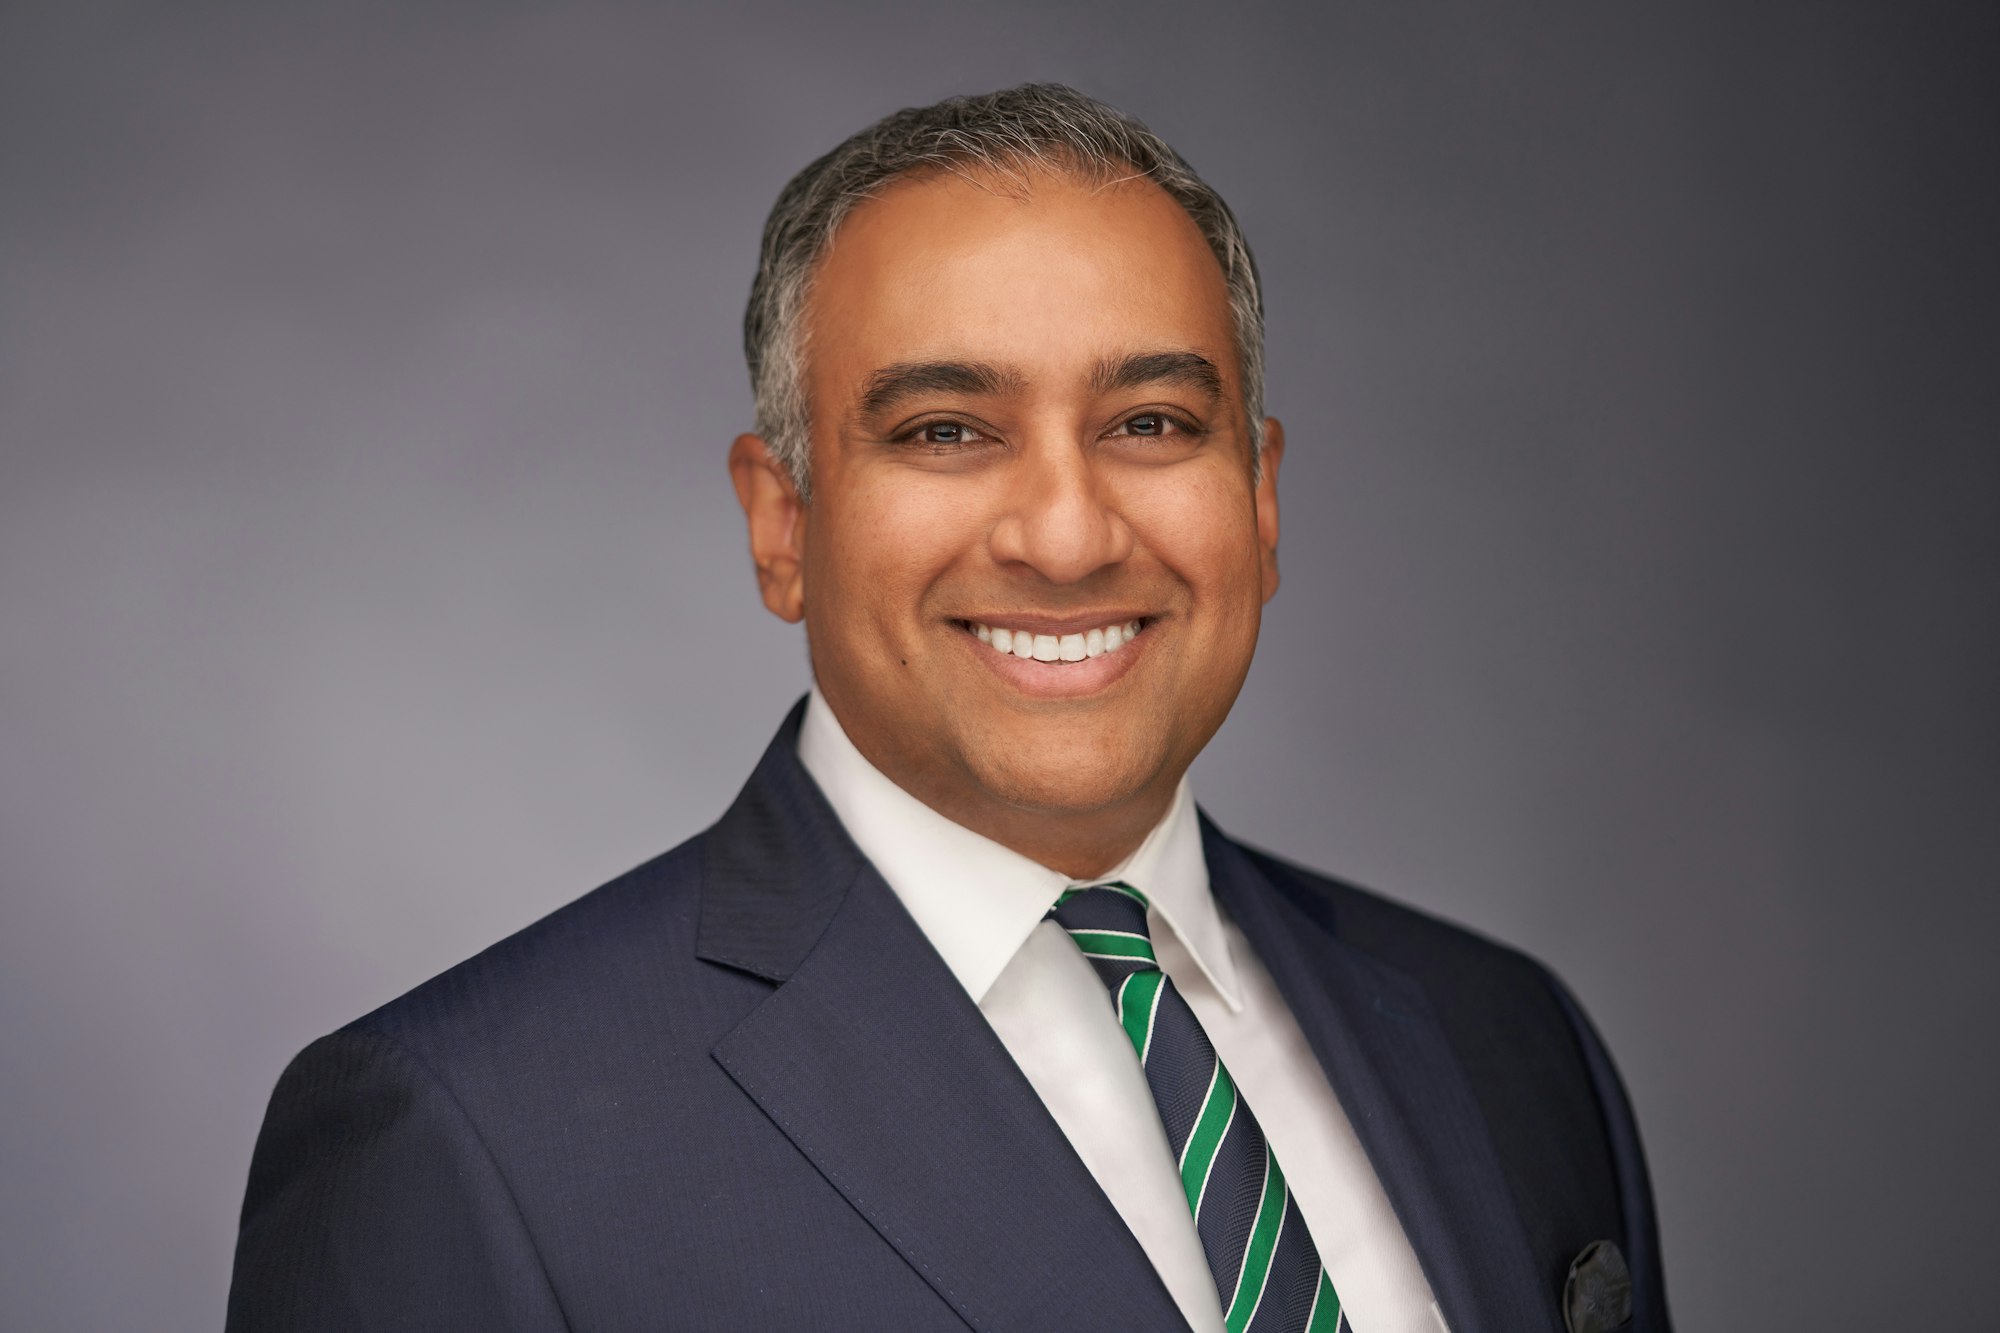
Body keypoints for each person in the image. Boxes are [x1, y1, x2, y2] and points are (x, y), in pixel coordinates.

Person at [226, 85, 1667, 1333]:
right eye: (946, 432)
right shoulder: (468, 1136)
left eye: (1152, 423)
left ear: (1263, 495)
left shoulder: (1506, 1036)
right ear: (782, 523)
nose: (1066, 533)